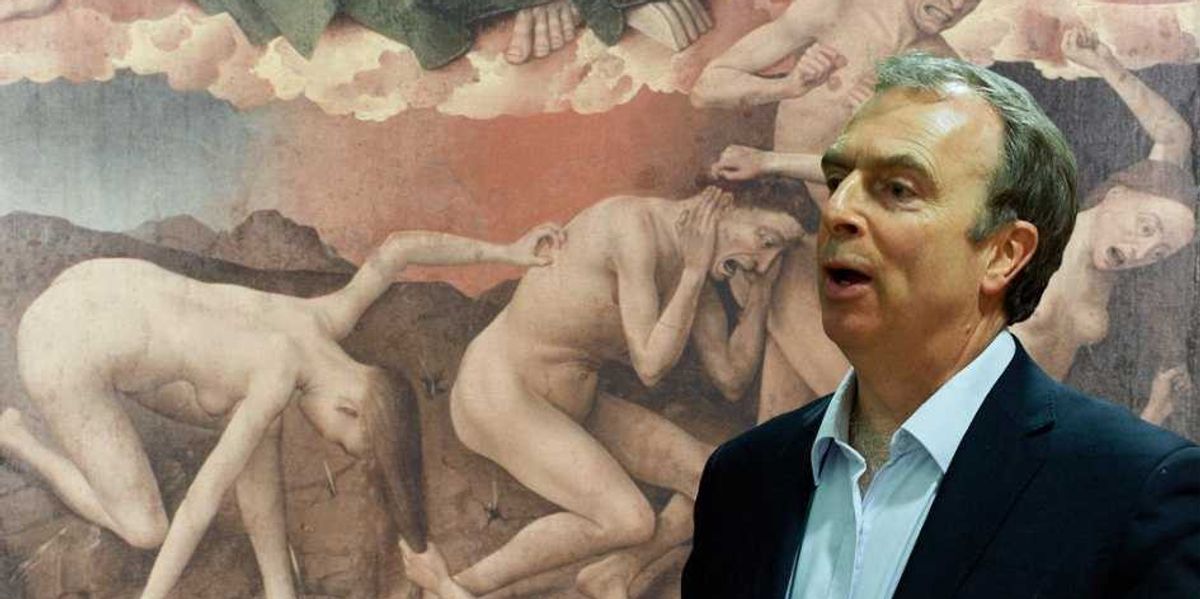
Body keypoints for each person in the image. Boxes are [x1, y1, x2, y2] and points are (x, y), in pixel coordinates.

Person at [682, 53, 1200, 598]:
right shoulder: (742, 477)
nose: (837, 212)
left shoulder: (1132, 492)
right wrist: (767, 161)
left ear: (1004, 253)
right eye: (839, 179)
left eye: (899, 190)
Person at [0, 222, 563, 599]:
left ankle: (279, 589)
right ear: (350, 406)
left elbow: (398, 250)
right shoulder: (277, 371)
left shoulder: (327, 317)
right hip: (60, 345)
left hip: (97, 285)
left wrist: (507, 251)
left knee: (251, 423)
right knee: (147, 529)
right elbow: (200, 503)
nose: (328, 442)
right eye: (342, 440)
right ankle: (18, 438)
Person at [399, 180, 806, 599]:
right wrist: (692, 272)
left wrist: (761, 293)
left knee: (719, 477)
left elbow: (732, 378)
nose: (763, 262)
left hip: (574, 401)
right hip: (500, 393)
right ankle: (456, 586)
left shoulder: (696, 273)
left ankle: (613, 573)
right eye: (765, 240)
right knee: (630, 520)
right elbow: (650, 365)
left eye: (776, 254)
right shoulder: (634, 227)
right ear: (723, 205)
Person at [691, 0, 984, 422]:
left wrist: (773, 160)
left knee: (810, 414)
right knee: (809, 415)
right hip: (788, 232)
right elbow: (707, 87)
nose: (956, 5)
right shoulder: (834, 11)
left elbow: (892, 183)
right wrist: (789, 86)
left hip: (867, 256)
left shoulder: (945, 76)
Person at [1012, 26, 1197, 424]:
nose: (1143, 252)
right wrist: (1102, 62)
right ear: (1117, 192)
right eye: (1146, 228)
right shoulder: (1033, 232)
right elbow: (1174, 135)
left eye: (1159, 252)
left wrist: (1156, 406)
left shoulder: (1109, 279)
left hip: (1034, 433)